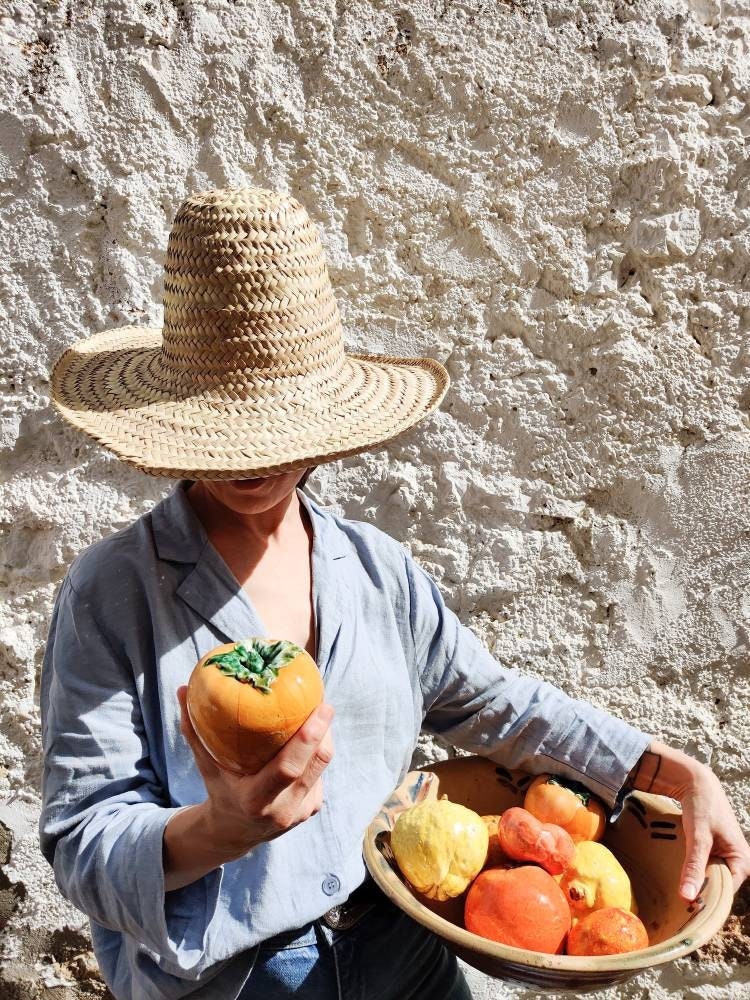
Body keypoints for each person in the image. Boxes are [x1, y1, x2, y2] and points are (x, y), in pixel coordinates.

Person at [39, 187, 749, 1000]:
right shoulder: (113, 594)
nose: (250, 462)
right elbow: (83, 843)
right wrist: (220, 829)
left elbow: (500, 707)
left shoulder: (377, 571)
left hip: (405, 954)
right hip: (235, 982)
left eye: (276, 425)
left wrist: (662, 770)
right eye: (222, 426)